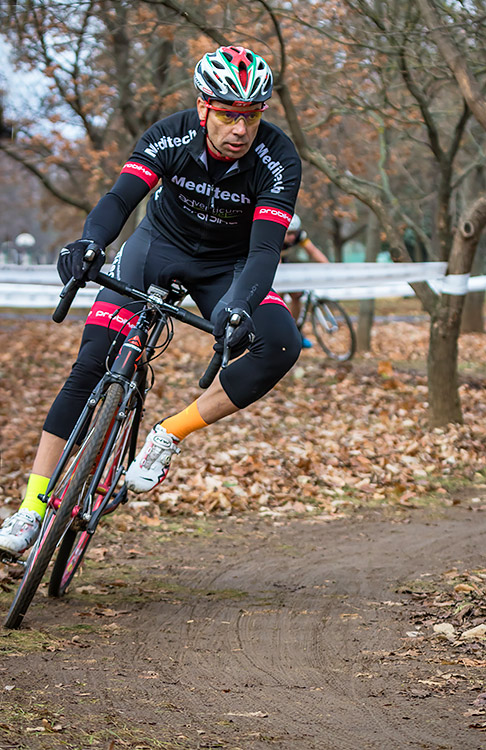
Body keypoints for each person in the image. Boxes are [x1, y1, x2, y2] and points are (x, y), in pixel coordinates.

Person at [0, 45, 302, 556]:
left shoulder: (278, 159)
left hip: (227, 266)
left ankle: (166, 435)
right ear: (204, 108)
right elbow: (120, 199)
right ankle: (31, 507)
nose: (240, 130)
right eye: (229, 115)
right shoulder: (170, 135)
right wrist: (90, 241)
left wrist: (241, 304)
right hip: (156, 248)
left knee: (279, 344)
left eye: (251, 116)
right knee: (92, 364)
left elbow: (266, 248)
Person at [280, 213, 329, 347]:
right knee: (279, 297)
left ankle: (295, 331)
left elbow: (313, 252)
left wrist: (328, 267)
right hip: (271, 262)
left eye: (294, 233)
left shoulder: (300, 236)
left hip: (285, 264)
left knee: (296, 295)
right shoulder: (274, 236)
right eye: (289, 233)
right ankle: (277, 331)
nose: (292, 237)